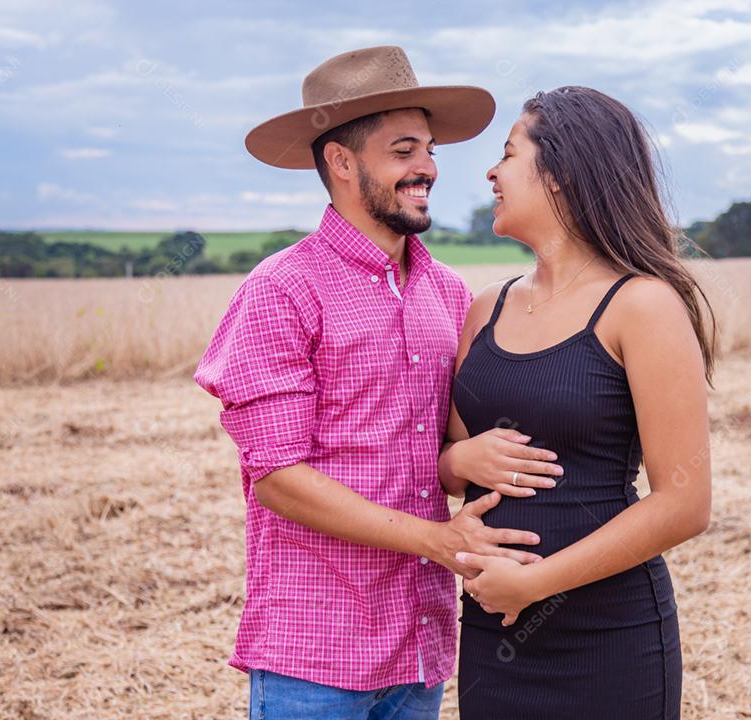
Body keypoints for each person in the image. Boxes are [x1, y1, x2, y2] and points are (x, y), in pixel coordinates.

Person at [194, 46, 552, 720]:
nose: (428, 169)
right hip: (314, 655)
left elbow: (440, 460)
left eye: (431, 150)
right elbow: (276, 476)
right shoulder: (281, 290)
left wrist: (473, 459)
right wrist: (435, 539)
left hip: (420, 648)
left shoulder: (449, 293)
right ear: (342, 161)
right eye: (404, 150)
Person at [438, 86, 716, 720]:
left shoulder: (641, 305)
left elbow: (685, 503)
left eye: (508, 154)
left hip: (608, 637)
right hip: (492, 631)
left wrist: (532, 583)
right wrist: (461, 463)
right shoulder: (487, 308)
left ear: (560, 174)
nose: (490, 172)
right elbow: (448, 460)